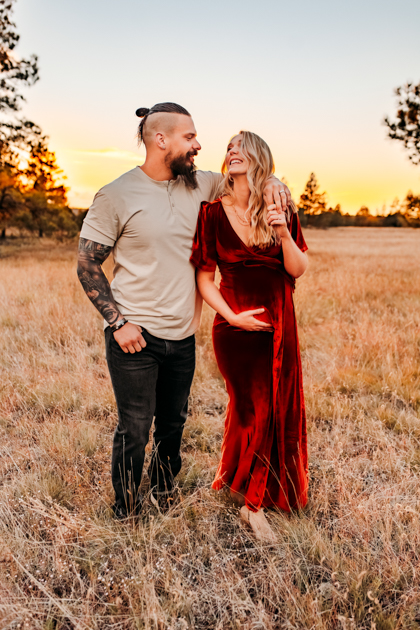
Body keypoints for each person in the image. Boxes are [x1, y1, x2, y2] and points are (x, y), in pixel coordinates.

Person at [77, 103, 291, 518]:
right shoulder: (116, 193)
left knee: (173, 425)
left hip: (183, 336)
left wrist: (274, 181)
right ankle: (125, 509)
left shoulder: (200, 184)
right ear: (161, 140)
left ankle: (162, 493)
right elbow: (87, 264)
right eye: (189, 137)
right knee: (136, 428)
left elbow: (248, 175)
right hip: (134, 336)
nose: (198, 145)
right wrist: (118, 323)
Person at [190, 131, 308, 542]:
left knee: (272, 407)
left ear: (260, 157)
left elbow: (297, 269)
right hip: (234, 327)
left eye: (241, 146)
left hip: (280, 322)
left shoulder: (279, 205)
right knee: (253, 406)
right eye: (229, 149)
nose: (232, 152)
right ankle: (253, 503)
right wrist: (232, 317)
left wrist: (283, 234)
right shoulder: (211, 213)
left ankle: (242, 483)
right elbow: (205, 280)